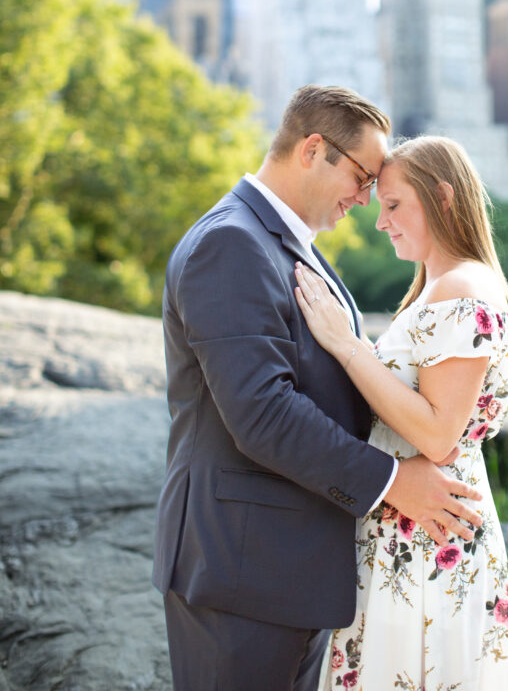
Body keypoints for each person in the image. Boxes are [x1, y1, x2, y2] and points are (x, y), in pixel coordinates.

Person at [152, 87, 484, 691]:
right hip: (242, 574)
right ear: (313, 149)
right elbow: (262, 413)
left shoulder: (286, 246)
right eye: (362, 177)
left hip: (287, 571)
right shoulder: (231, 244)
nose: (365, 200)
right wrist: (393, 482)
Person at [295, 135, 508, 690]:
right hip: (412, 530)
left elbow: (438, 434)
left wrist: (345, 344)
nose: (381, 222)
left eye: (394, 205)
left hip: (427, 539)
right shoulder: (439, 289)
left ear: (443, 197)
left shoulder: (461, 288)